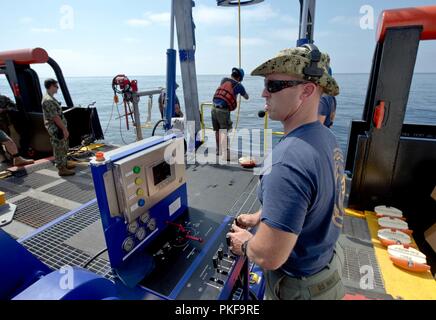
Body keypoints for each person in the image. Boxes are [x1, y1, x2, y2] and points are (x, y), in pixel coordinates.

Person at [227, 45, 346, 300]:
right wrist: (261, 216)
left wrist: (245, 243)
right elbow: (311, 200)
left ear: (307, 91)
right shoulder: (326, 138)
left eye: (273, 86)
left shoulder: (288, 162)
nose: (263, 93)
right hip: (328, 273)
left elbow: (269, 256)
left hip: (298, 290)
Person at [212, 67, 249, 158]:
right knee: (224, 132)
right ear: (240, 78)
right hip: (223, 111)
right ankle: (226, 154)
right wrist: (240, 90)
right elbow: (246, 97)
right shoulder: (239, 86)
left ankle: (218, 150)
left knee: (217, 131)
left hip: (213, 108)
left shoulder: (223, 80)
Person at [41, 79, 76, 176]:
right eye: (56, 86)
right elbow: (55, 117)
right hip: (56, 128)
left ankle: (64, 164)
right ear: (51, 86)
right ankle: (61, 169)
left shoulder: (51, 98)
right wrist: (64, 129)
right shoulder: (48, 100)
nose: (58, 88)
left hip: (58, 126)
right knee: (59, 147)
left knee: (64, 145)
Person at [0, 94, 34, 166]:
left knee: (8, 141)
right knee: (7, 141)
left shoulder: (3, 98)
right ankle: (4, 160)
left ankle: (15, 158)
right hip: (3, 124)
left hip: (8, 123)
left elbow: (13, 107)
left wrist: (4, 110)